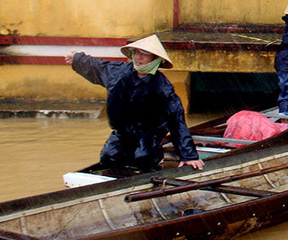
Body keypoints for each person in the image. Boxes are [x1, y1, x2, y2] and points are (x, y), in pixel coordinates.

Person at [65, 35, 203, 173]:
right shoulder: (119, 72)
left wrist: (189, 155)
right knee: (109, 157)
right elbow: (98, 66)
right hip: (123, 131)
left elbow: (177, 121)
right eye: (136, 52)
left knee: (143, 158)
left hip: (149, 133)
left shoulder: (163, 88)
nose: (139, 57)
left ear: (155, 59)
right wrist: (78, 59)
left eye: (145, 54)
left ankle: (156, 158)